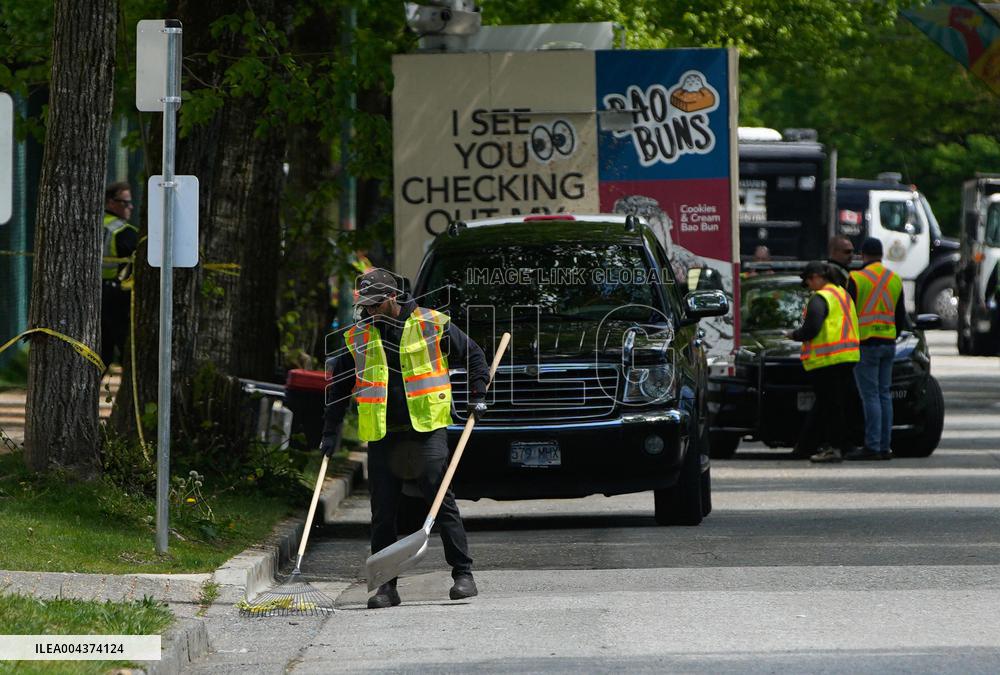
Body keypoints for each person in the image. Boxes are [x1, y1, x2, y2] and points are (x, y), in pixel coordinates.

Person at [321, 268, 490, 609]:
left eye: (375, 304)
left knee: (439, 500)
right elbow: (339, 388)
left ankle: (463, 575)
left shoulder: (432, 323)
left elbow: (474, 354)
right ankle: (386, 587)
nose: (369, 311)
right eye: (365, 305)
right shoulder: (359, 336)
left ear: (393, 297)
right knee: (383, 512)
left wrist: (477, 393)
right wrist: (329, 432)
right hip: (384, 435)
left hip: (426, 429)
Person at [790, 261, 861, 463]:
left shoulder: (821, 298)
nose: (809, 286)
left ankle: (835, 447)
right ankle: (811, 447)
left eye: (809, 281)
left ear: (816, 277)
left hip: (828, 360)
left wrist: (794, 335)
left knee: (830, 407)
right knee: (831, 405)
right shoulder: (842, 294)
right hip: (847, 357)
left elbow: (812, 328)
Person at [845, 238, 908, 460]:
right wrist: (893, 334)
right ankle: (884, 446)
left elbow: (848, 313)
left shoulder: (856, 278)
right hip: (888, 343)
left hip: (866, 344)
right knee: (884, 395)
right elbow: (900, 315)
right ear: (881, 254)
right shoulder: (895, 279)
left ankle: (872, 446)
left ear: (863, 254)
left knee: (870, 396)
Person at [101, 182, 139, 369]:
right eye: (126, 203)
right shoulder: (124, 232)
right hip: (115, 295)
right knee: (127, 346)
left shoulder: (89, 222)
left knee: (101, 350)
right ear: (110, 202)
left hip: (89, 294)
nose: (130, 207)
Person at [827, 235, 858, 301]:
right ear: (834, 252)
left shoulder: (843, 272)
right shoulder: (830, 273)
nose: (851, 255)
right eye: (847, 252)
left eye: (852, 252)